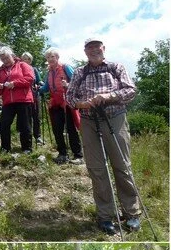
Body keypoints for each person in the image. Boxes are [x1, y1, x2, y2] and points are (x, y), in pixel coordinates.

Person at [66, 38, 141, 234]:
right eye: (89, 47)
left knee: (122, 166)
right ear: (85, 51)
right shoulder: (80, 73)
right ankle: (105, 215)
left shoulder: (116, 67)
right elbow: (70, 97)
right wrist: (82, 104)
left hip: (115, 117)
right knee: (97, 169)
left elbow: (131, 90)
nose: (93, 50)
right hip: (89, 121)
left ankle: (132, 213)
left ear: (103, 48)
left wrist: (109, 96)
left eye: (96, 47)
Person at [41, 48, 83, 165]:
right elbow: (46, 87)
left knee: (70, 129)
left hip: (67, 102)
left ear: (57, 57)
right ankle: (62, 154)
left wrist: (68, 85)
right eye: (48, 57)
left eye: (52, 57)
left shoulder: (66, 67)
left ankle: (78, 155)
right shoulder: (49, 72)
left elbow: (78, 81)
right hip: (55, 104)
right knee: (57, 129)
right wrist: (37, 89)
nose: (50, 59)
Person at [0, 47, 35, 154]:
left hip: (23, 99)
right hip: (8, 101)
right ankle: (5, 148)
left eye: (7, 58)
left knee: (25, 125)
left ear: (12, 55)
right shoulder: (1, 70)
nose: (5, 61)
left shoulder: (22, 65)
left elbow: (30, 79)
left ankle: (27, 148)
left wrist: (14, 83)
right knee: (4, 124)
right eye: (2, 59)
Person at [21, 52, 44, 146]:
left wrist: (40, 85)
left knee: (36, 116)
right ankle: (28, 136)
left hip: (34, 94)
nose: (25, 60)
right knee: (26, 117)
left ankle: (38, 136)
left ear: (30, 60)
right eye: (23, 59)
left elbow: (39, 81)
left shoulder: (34, 69)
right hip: (24, 96)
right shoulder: (19, 70)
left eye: (27, 59)